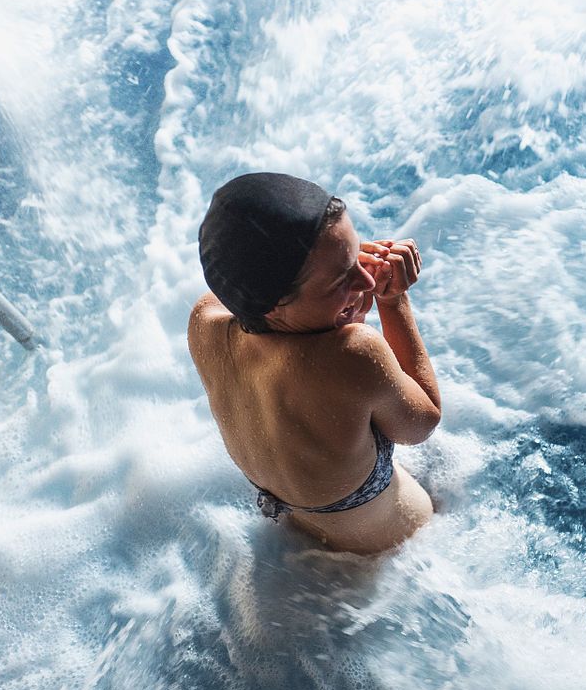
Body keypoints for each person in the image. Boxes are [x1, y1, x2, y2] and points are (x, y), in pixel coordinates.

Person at [187, 172, 441, 554]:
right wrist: (394, 302)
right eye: (341, 278)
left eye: (356, 254)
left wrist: (337, 293)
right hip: (404, 559)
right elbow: (422, 422)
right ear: (274, 304)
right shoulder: (353, 355)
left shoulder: (206, 323)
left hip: (297, 554)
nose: (367, 282)